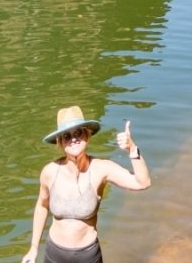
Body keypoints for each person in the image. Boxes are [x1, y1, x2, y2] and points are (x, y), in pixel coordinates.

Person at [21, 105, 151, 263]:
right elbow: (42, 206)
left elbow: (142, 182)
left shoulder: (101, 169)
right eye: (66, 136)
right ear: (60, 142)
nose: (73, 139)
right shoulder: (50, 171)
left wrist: (132, 149)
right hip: (54, 254)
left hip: (87, 256)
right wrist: (33, 248)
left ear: (87, 135)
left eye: (78, 132)